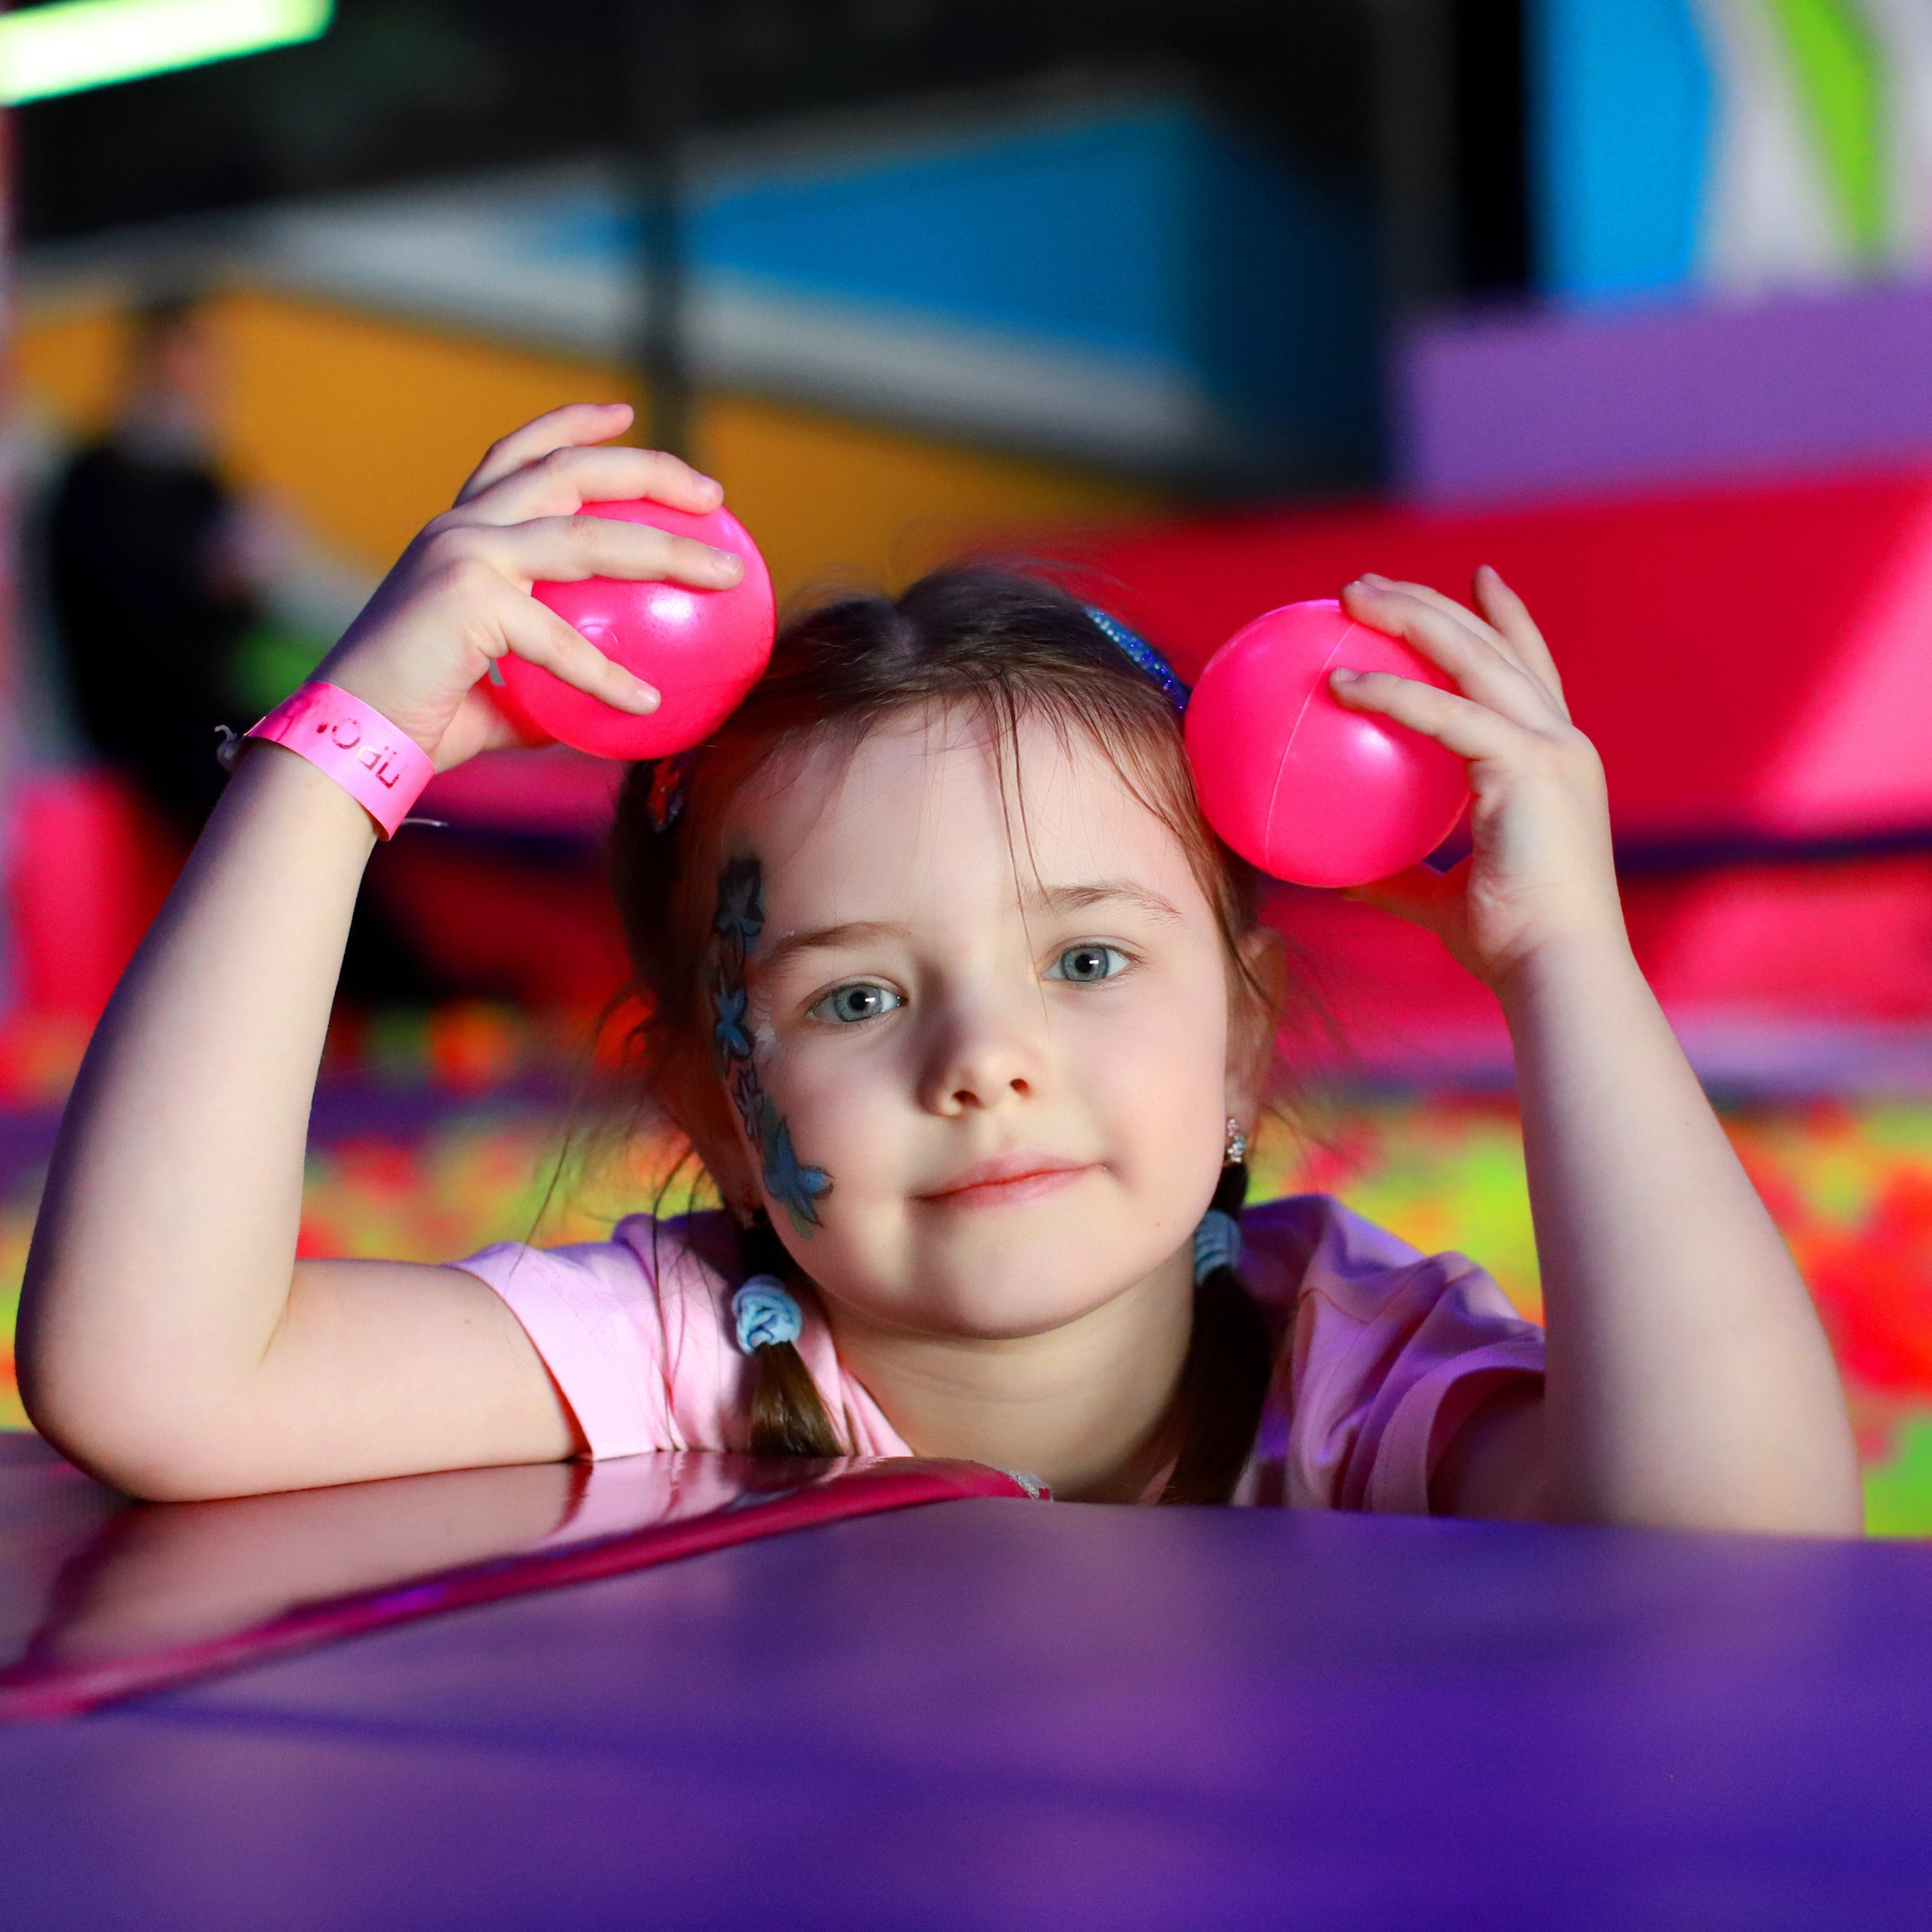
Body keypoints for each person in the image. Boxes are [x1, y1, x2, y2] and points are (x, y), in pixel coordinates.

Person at [17, 405, 1863, 1529]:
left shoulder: (1346, 1374)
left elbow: (1732, 1522)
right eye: (852, 994)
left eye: (1083, 954)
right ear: (714, 1112)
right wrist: (347, 753)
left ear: (1238, 1040)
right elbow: (158, 1378)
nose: (982, 1055)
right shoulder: (680, 1356)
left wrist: (1565, 966)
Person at [43, 295, 256, 840]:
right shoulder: (93, 476)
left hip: (203, 715)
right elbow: (104, 622)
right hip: (136, 731)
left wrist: (236, 584)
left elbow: (231, 630)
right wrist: (206, 580)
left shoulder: (206, 482)